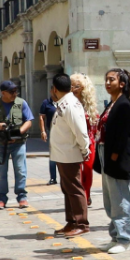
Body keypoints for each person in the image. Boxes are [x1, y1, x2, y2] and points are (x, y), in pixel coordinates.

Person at [96, 69, 130, 254]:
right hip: (105, 152)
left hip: (116, 156)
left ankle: (124, 238)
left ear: (122, 83)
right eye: (106, 79)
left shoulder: (123, 104)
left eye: (111, 79)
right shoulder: (112, 103)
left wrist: (114, 155)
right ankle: (114, 236)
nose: (107, 82)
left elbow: (122, 134)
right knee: (110, 198)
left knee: (120, 197)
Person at [49, 74, 91, 237]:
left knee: (74, 188)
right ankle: (72, 221)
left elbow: (80, 130)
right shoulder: (63, 103)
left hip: (70, 154)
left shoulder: (70, 105)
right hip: (62, 154)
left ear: (54, 89)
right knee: (67, 189)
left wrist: (85, 149)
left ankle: (81, 223)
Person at [0, 81, 33, 209]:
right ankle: (1, 199)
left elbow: (29, 121)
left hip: (18, 143)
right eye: (11, 92)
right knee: (1, 172)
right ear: (3, 93)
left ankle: (22, 197)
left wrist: (19, 131)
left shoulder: (21, 103)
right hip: (1, 144)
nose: (14, 94)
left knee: (20, 170)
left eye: (16, 91)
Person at [71, 73, 100, 207]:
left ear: (84, 88)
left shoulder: (89, 105)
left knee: (87, 169)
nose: (73, 89)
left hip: (89, 141)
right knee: (75, 172)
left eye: (77, 86)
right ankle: (79, 196)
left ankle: (86, 195)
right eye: (71, 86)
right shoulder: (68, 103)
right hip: (73, 142)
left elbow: (95, 124)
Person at [39, 94, 59, 186]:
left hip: (65, 132)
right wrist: (43, 131)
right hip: (52, 132)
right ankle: (53, 178)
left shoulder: (64, 101)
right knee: (53, 155)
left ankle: (66, 177)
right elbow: (41, 117)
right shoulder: (46, 103)